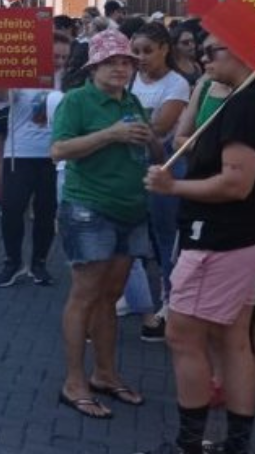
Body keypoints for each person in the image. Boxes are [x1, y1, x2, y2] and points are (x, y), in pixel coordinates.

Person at [138, 36, 255, 454]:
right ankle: (235, 445)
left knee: (183, 336)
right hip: (247, 235)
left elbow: (235, 183)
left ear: (247, 52)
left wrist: (173, 186)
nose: (203, 57)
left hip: (221, 239)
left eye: (215, 50)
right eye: (203, 50)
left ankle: (189, 445)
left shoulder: (248, 105)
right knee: (233, 338)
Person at [50, 29, 161, 419]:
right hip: (89, 208)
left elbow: (153, 151)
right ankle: (73, 381)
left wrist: (152, 141)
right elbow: (59, 150)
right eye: (112, 61)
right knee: (85, 294)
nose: (121, 67)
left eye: (127, 61)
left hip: (130, 210)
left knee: (110, 297)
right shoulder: (77, 101)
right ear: (94, 67)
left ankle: (106, 374)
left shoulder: (131, 101)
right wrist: (110, 134)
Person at [0, 32, 71, 288]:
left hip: (54, 155)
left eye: (64, 57)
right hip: (20, 153)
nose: (59, 61)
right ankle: (13, 262)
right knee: (12, 209)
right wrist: (4, 71)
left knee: (46, 213)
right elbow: (1, 98)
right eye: (54, 55)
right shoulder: (22, 74)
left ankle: (39, 263)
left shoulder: (69, 81)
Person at [129, 20, 193, 341]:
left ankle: (171, 303)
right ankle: (137, 299)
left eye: (147, 51)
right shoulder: (130, 78)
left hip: (164, 167)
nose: (140, 57)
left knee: (166, 240)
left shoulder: (177, 84)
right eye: (136, 51)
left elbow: (159, 126)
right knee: (133, 238)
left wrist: (119, 127)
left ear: (164, 49)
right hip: (130, 167)